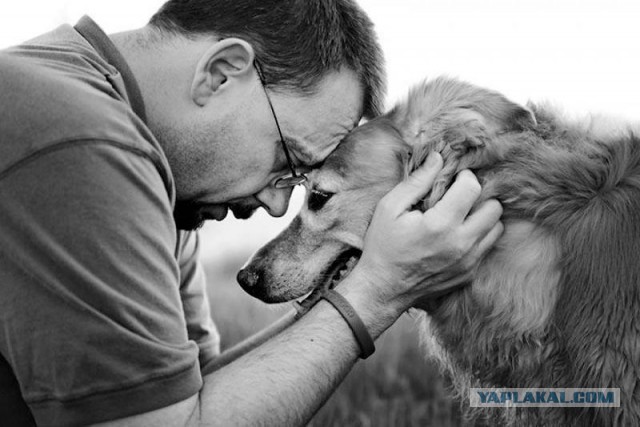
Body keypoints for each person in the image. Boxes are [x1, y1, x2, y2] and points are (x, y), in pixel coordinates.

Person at [0, 0, 503, 425]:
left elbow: (197, 397)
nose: (277, 203)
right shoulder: (80, 141)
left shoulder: (163, 187)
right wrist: (378, 291)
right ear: (222, 74)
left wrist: (357, 285)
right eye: (287, 159)